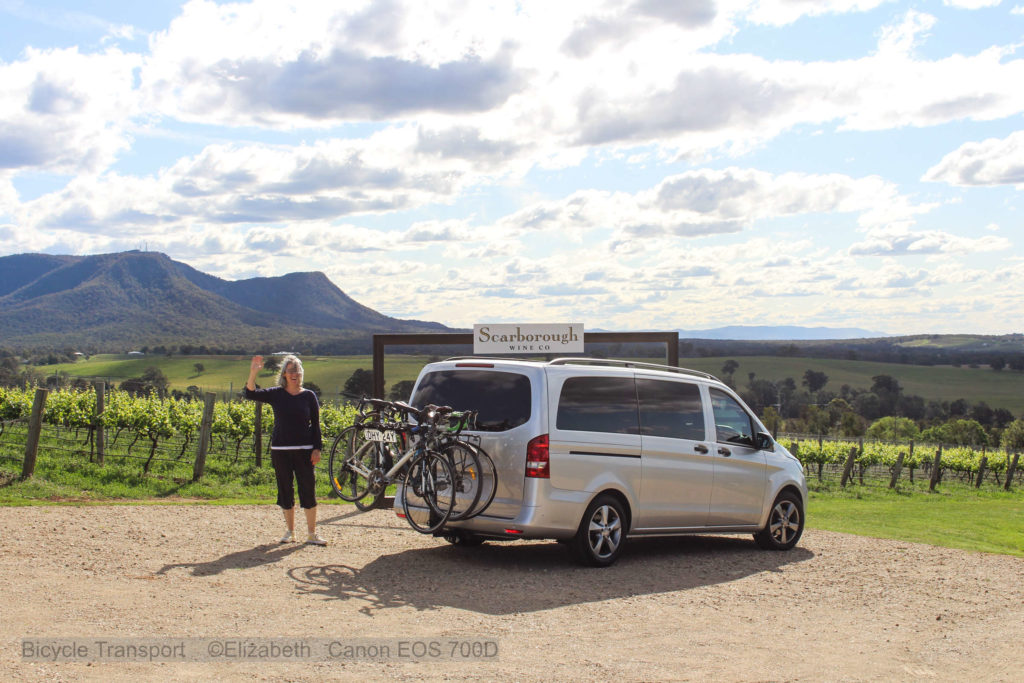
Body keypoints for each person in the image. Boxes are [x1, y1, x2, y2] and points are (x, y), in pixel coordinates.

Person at [244, 354, 327, 545]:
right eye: (290, 370)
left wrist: (317, 448)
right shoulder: (276, 394)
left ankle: (312, 534)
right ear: (284, 374)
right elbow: (250, 393)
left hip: (305, 450)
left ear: (301, 373)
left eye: (297, 370)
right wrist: (253, 373)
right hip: (280, 449)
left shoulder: (309, 396)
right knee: (285, 490)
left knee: (308, 489)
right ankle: (290, 532)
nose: (294, 374)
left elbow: (316, 425)